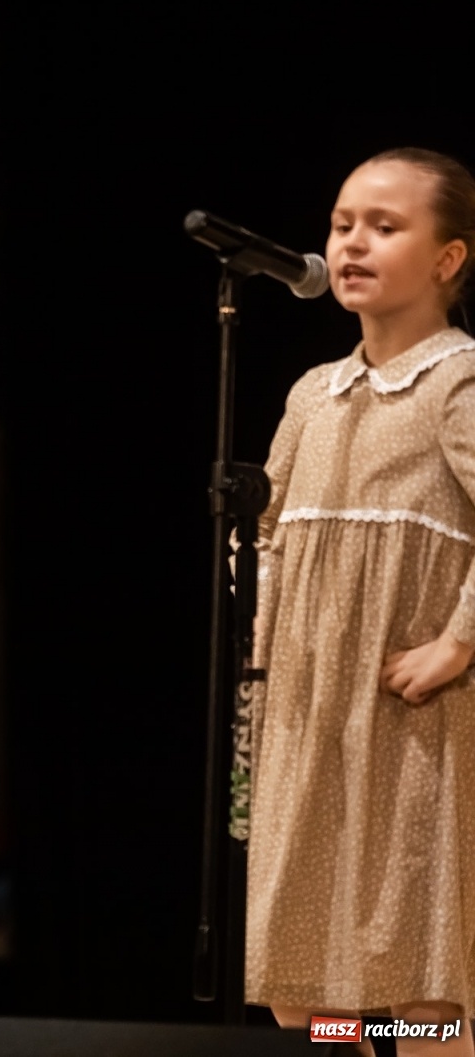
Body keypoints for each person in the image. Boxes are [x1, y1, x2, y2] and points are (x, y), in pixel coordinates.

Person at [248, 148, 475, 1056]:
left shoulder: (459, 383)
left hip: (413, 721)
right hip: (309, 719)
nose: (353, 243)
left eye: (386, 227)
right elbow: (261, 534)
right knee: (310, 996)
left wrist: (457, 643)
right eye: (343, 224)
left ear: (448, 258)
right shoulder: (316, 395)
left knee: (418, 991)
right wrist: (265, 658)